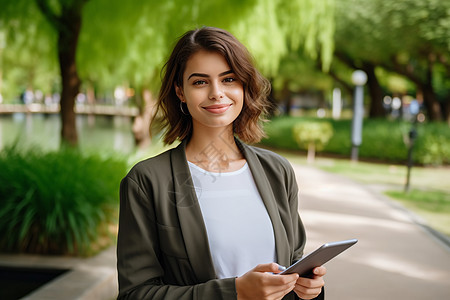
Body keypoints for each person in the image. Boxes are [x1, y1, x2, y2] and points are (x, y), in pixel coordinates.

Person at [117, 26, 326, 300]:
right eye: (200, 82)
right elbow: (135, 294)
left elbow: (294, 262)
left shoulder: (277, 171)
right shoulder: (146, 181)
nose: (217, 93)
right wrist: (234, 291)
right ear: (180, 91)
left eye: (228, 79)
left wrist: (308, 290)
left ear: (243, 86)